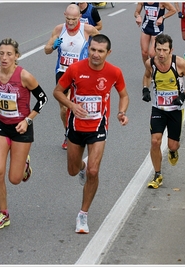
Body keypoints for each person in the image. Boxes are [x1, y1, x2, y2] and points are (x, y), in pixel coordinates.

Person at [53, 34, 129, 234]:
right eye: (93, 49)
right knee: (72, 170)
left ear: (108, 53)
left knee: (93, 172)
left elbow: (123, 95)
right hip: (75, 127)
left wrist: (122, 112)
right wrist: (71, 105)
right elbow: (57, 91)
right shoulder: (75, 69)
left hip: (98, 128)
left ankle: (83, 214)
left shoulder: (114, 72)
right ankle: (82, 165)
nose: (95, 54)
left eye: (100, 51)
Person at [0, 38, 48, 229]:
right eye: (1, 53)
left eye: (9, 54)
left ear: (16, 56)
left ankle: (25, 164)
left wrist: (28, 120)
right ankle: (4, 213)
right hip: (1, 125)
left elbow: (43, 99)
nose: (4, 57)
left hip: (22, 128)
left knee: (15, 179)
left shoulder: (25, 76)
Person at [141, 33, 185, 189]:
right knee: (155, 141)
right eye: (158, 49)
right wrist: (145, 89)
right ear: (155, 48)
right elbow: (146, 76)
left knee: (173, 145)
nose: (161, 54)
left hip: (175, 110)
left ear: (171, 50)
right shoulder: (150, 63)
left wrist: (183, 96)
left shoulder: (179, 63)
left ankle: (173, 151)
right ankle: (158, 175)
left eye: (165, 50)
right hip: (158, 108)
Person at [44, 3, 99, 150]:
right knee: (64, 108)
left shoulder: (87, 29)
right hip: (62, 71)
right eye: (68, 19)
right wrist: (54, 45)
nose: (70, 22)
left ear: (80, 17)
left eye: (74, 19)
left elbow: (101, 46)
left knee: (77, 105)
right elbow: (46, 50)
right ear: (64, 16)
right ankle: (68, 133)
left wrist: (93, 56)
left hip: (81, 73)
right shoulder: (59, 29)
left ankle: (82, 133)